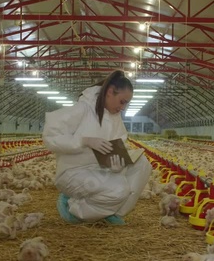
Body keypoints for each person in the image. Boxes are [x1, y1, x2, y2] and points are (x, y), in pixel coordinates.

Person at [42, 70, 152, 225]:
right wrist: (83, 141)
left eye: (126, 103)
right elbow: (50, 135)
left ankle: (112, 212)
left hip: (98, 171)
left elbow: (118, 147)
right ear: (109, 92)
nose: (123, 108)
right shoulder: (83, 109)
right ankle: (74, 208)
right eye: (122, 102)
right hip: (73, 172)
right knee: (119, 189)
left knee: (143, 165)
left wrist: (116, 164)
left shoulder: (115, 119)